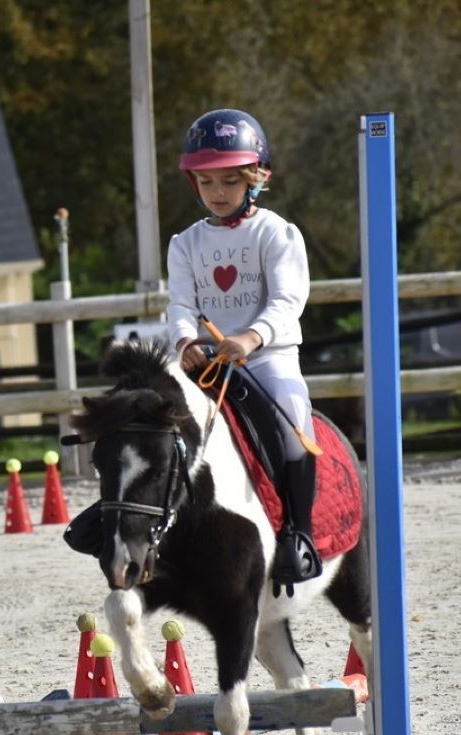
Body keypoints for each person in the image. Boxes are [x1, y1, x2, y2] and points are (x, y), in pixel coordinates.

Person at [166, 108, 321, 585]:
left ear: (256, 178)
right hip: (206, 363)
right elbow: (179, 304)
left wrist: (250, 338)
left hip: (267, 358)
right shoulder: (185, 243)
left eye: (230, 182)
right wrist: (185, 339)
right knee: (151, 412)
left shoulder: (277, 233)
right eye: (207, 182)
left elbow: (288, 299)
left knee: (295, 426)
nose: (217, 193)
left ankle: (299, 534)